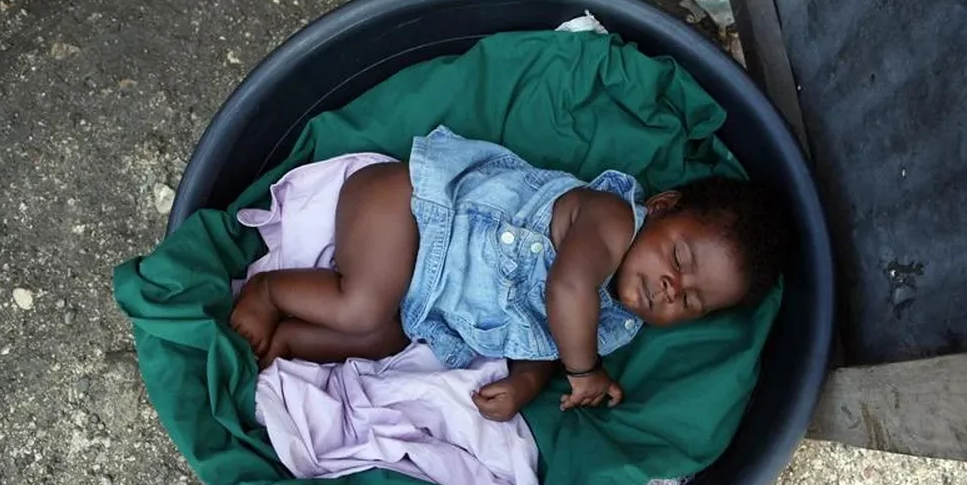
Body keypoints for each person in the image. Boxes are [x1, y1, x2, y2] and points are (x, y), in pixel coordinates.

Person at [231, 127, 790, 421]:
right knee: (363, 307)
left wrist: (527, 382)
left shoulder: (617, 321)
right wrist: (586, 373)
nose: (671, 288)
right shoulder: (612, 218)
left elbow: (541, 333)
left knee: (386, 337)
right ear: (663, 208)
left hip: (423, 295)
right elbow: (565, 289)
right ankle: (269, 289)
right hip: (411, 207)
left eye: (689, 302)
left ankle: (283, 344)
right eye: (680, 260)